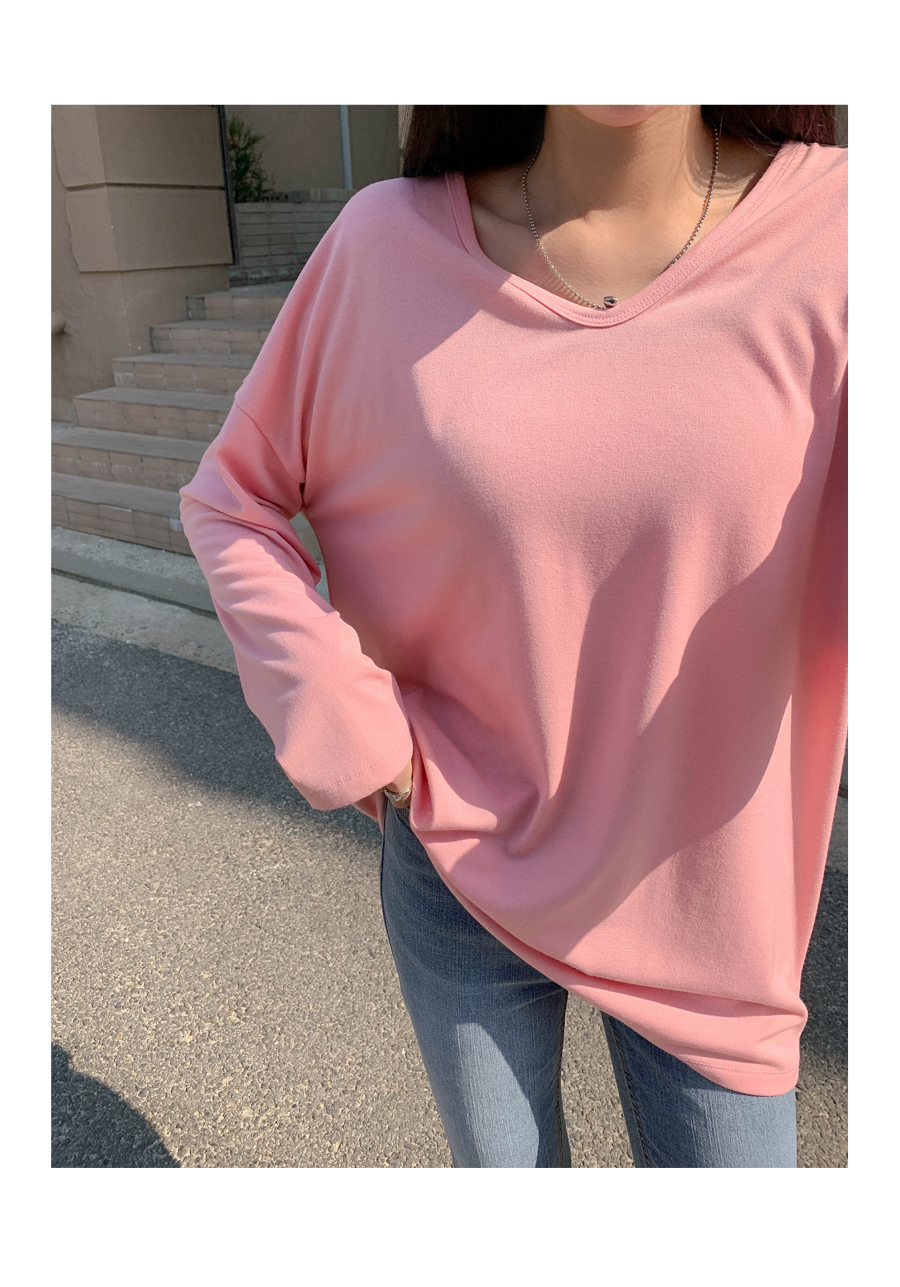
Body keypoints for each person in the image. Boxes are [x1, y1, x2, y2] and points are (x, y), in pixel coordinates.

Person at [180, 105, 847, 1168]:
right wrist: (346, 718)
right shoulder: (381, 245)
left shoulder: (840, 231)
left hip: (710, 907)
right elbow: (233, 497)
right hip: (459, 848)